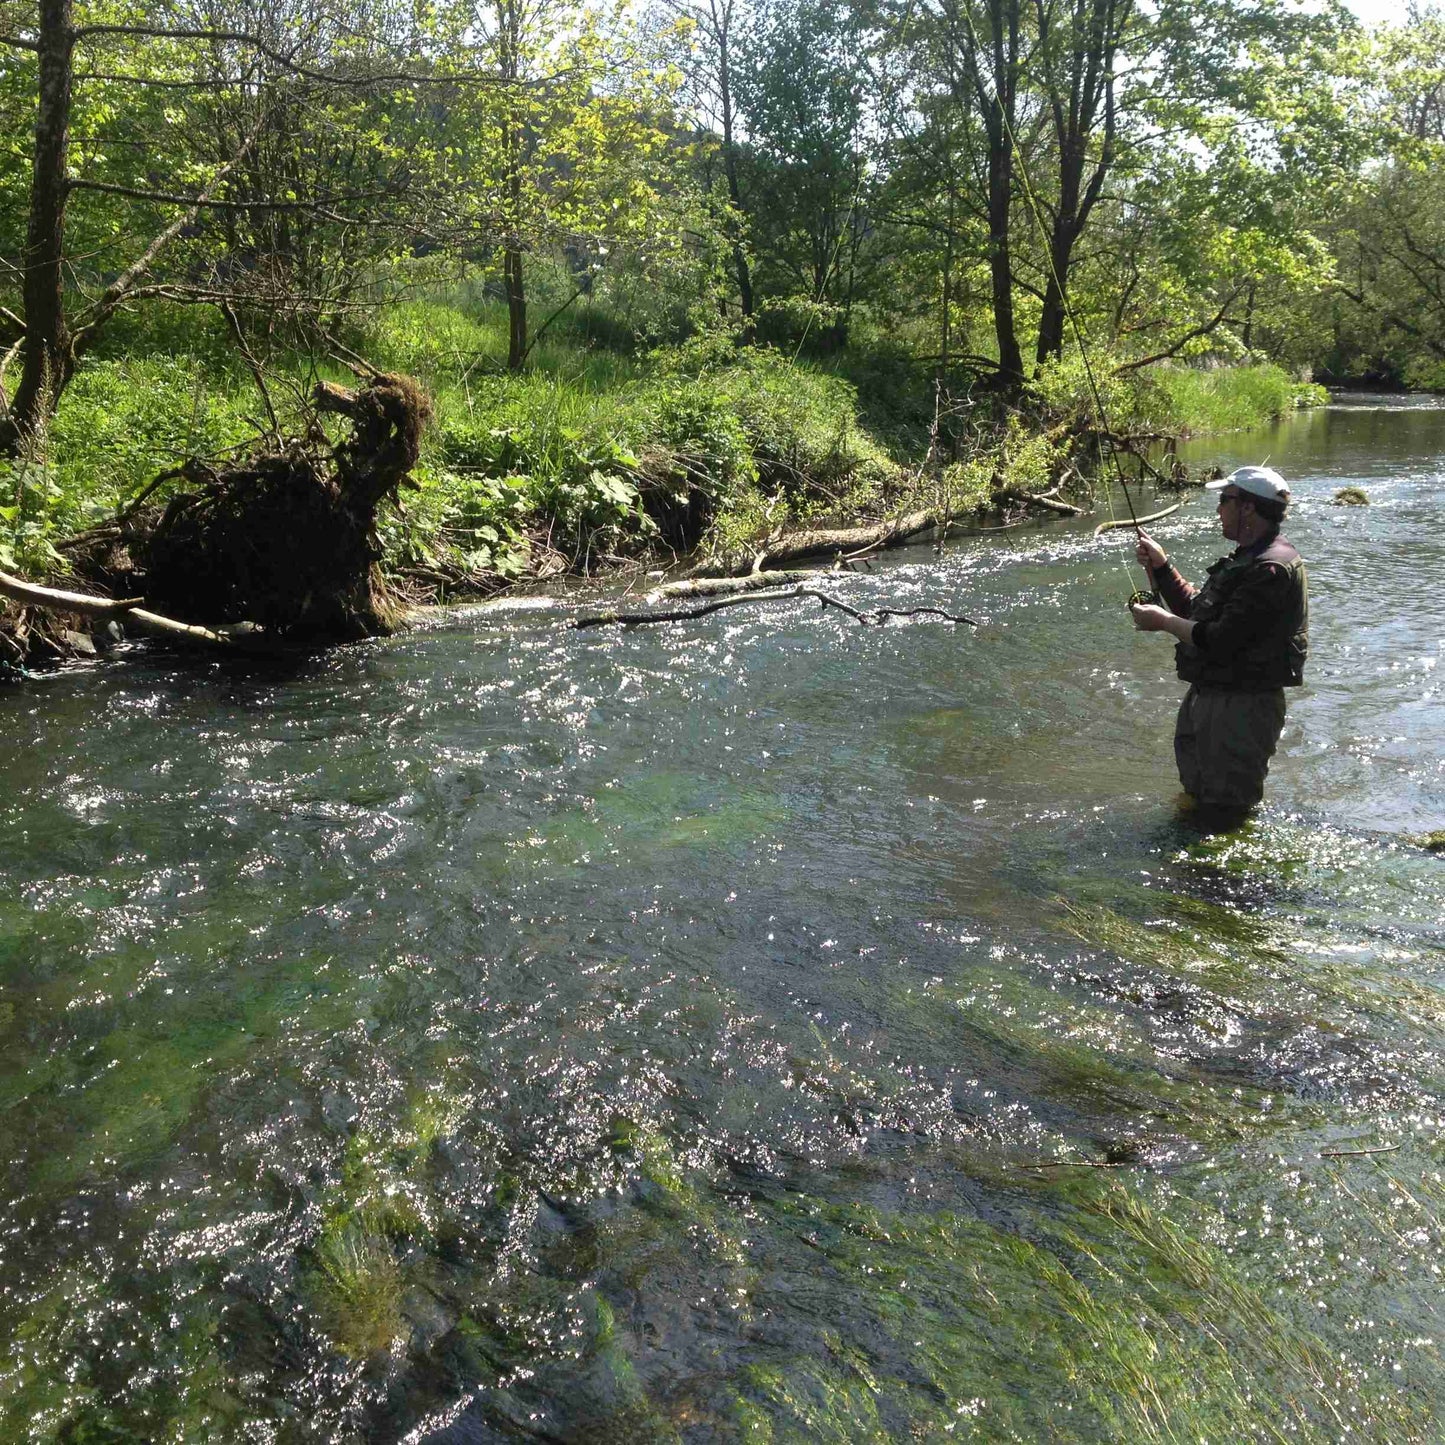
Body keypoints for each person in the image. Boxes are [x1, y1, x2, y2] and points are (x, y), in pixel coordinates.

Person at [1128, 465, 1309, 813]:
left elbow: (1222, 638)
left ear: (1248, 508)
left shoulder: (1270, 569)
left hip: (1241, 708)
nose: (1218, 509)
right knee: (1198, 801)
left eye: (1225, 500)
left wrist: (1164, 622)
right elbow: (1199, 612)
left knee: (1226, 811)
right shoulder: (1249, 559)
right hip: (1213, 697)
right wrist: (1163, 568)